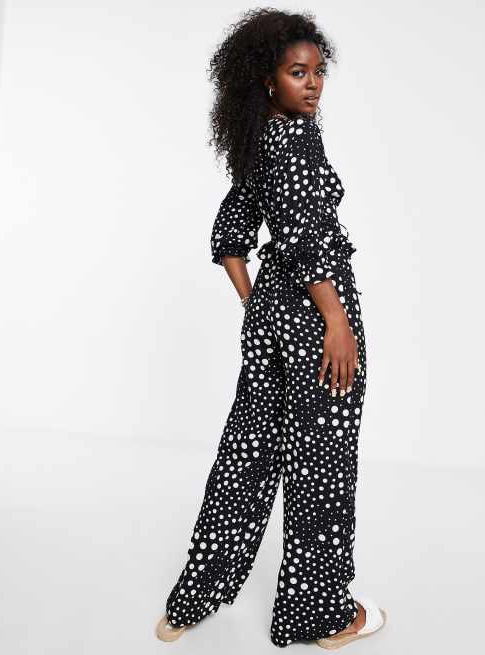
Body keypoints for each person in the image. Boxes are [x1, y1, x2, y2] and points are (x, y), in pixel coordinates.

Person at [155, 8, 387, 649]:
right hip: (316, 317)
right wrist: (335, 320)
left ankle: (190, 603)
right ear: (267, 79)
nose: (312, 85)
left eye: (318, 72)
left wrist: (259, 304)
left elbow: (231, 233)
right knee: (321, 466)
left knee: (247, 456)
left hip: (270, 320)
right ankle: (321, 617)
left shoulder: (259, 143)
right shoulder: (298, 143)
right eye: (297, 73)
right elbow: (306, 241)